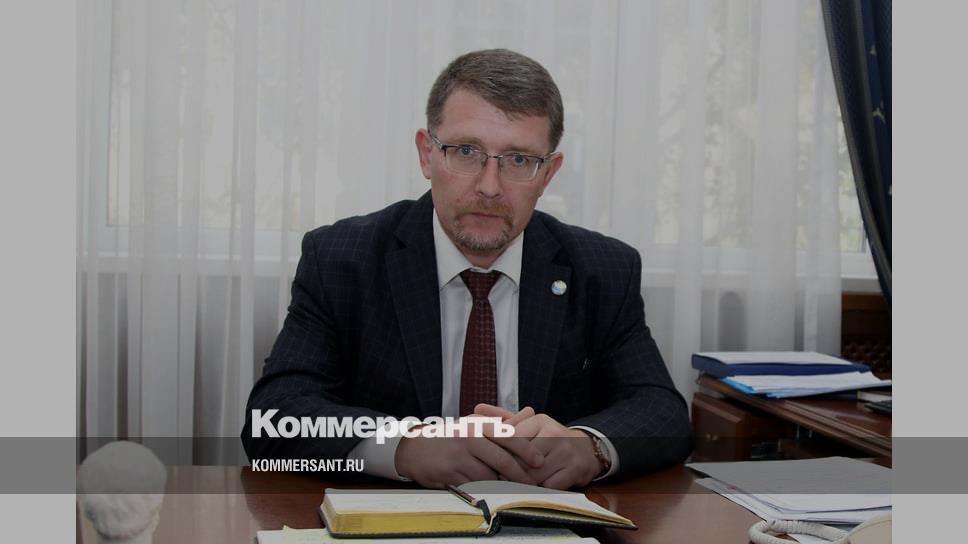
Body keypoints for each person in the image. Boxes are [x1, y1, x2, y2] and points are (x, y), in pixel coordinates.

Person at [242, 48, 692, 490]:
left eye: (519, 160)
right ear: (427, 154)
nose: (489, 187)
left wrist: (589, 447)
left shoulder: (602, 270)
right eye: (465, 151)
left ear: (548, 173)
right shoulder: (343, 259)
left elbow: (661, 411)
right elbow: (274, 417)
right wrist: (404, 446)